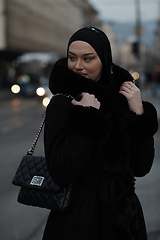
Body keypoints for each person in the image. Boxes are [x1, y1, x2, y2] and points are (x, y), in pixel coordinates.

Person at [42, 27, 158, 240]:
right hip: (78, 222)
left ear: (104, 59)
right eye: (71, 58)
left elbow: (141, 167)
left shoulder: (120, 100)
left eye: (88, 59)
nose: (78, 66)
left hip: (124, 218)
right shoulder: (62, 103)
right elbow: (60, 171)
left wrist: (138, 112)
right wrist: (87, 117)